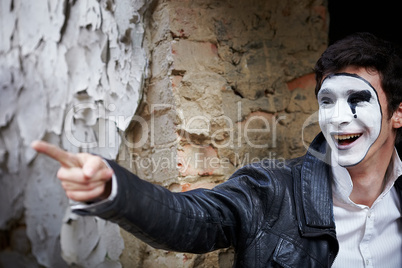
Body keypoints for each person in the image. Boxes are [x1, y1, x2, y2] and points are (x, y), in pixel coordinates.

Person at [32, 32, 402, 267]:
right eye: (327, 101)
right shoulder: (271, 190)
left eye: (357, 99)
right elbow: (193, 218)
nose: (338, 118)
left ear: (397, 113)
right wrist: (114, 189)